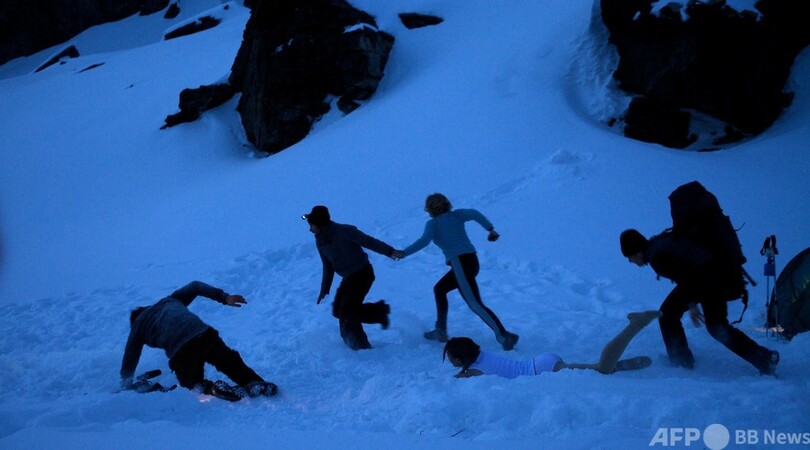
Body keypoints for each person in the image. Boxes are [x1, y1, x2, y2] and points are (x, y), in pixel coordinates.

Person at [620, 229, 779, 375]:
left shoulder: (657, 256)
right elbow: (687, 275)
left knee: (670, 315)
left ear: (636, 251)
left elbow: (688, 276)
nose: (630, 261)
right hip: (712, 275)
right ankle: (764, 359)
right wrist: (692, 301)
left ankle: (682, 363)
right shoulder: (657, 247)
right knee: (714, 326)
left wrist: (692, 305)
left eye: (629, 256)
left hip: (710, 278)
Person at [394, 193, 519, 350]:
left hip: (460, 263)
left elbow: (424, 241)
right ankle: (440, 330)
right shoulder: (457, 215)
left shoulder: (433, 224)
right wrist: (490, 229)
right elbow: (474, 213)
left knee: (475, 304)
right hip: (472, 261)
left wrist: (404, 253)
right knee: (440, 289)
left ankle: (504, 336)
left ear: (430, 209)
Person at [120, 281, 278, 398]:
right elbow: (195, 286)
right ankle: (254, 383)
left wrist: (126, 384)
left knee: (192, 384)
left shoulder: (138, 325)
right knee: (228, 361)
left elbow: (130, 355)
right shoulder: (169, 300)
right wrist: (225, 297)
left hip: (181, 348)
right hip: (203, 332)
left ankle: (212, 389)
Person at [443, 310, 661, 378]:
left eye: (451, 357)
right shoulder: (482, 356)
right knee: (600, 370)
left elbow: (451, 382)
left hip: (544, 370)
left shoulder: (473, 371)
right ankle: (618, 366)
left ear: (460, 356)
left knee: (600, 368)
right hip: (542, 363)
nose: (450, 360)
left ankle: (636, 324)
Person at [304, 205, 398, 350]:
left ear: (320, 223)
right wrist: (325, 289)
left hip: (363, 273)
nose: (310, 229)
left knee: (347, 311)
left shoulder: (344, 231)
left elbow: (368, 241)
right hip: (348, 278)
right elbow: (327, 266)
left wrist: (390, 251)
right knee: (338, 311)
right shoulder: (320, 241)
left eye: (312, 225)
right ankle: (379, 312)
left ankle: (360, 346)